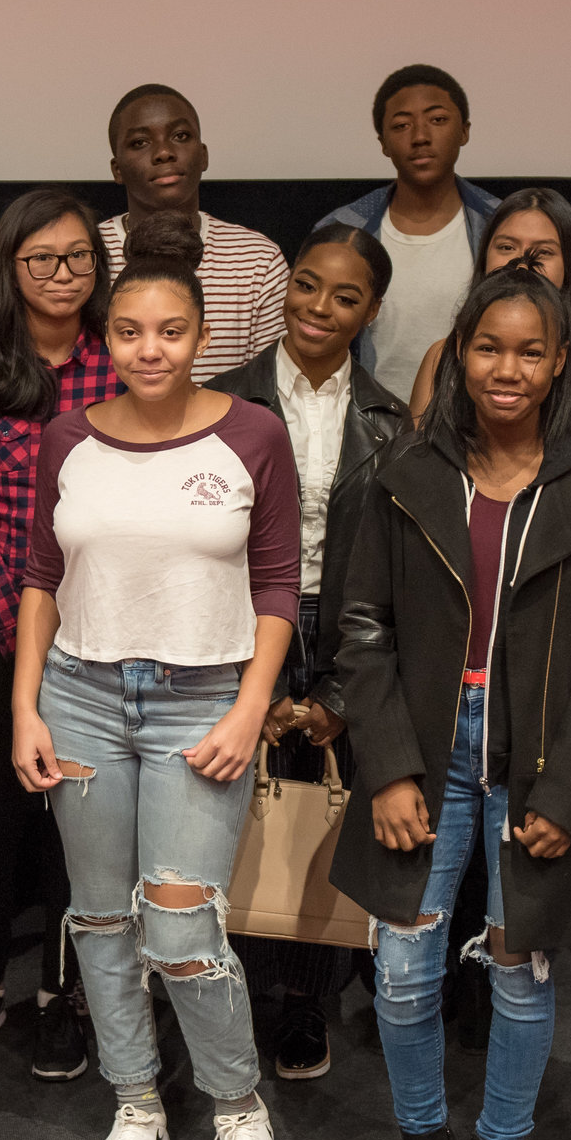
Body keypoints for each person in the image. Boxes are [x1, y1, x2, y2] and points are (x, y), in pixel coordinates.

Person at [330, 264, 571, 1140]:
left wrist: (566, 792)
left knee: (517, 969)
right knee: (405, 969)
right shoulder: (404, 472)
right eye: (487, 346)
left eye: (529, 351)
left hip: (537, 760)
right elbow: (363, 630)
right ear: (461, 353)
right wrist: (384, 767)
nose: (506, 368)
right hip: (425, 750)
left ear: (558, 366)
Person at [11, 254, 300, 1140]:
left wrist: (251, 705)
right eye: (130, 331)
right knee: (98, 919)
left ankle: (234, 1101)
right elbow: (42, 578)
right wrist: (24, 705)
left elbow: (277, 580)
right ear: (109, 340)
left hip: (202, 700)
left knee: (179, 924)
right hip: (82, 694)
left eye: (170, 330)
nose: (150, 348)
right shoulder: (68, 436)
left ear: (202, 336)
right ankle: (136, 1102)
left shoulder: (253, 432)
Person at [206, 221, 406, 1080]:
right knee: (229, 804)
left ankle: (302, 1005)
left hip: (349, 625)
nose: (320, 307)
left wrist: (336, 692)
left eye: (347, 295)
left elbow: (393, 573)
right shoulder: (218, 397)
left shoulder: (393, 420)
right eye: (309, 284)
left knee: (317, 819)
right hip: (236, 616)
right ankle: (218, 993)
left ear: (371, 311)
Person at [0, 188, 121, 1080]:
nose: (61, 274)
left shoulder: (121, 367)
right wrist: (18, 645)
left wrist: (66, 641)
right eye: (41, 259)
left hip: (101, 626)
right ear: (11, 268)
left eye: (78, 257)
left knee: (73, 826)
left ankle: (62, 995)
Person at [316, 63, 503, 401]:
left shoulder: (501, 226)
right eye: (402, 125)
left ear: (464, 131)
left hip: (480, 423)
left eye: (438, 120)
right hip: (370, 425)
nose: (420, 137)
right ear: (383, 142)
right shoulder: (342, 231)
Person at [94, 84, 289, 379]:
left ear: (203, 155)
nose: (163, 152)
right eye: (140, 142)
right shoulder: (88, 254)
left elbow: (268, 388)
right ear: (117, 169)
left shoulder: (258, 260)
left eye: (180, 136)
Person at [409, 188, 571, 452]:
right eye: (506, 247)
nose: (522, 262)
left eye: (543, 252)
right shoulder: (440, 355)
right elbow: (415, 467)